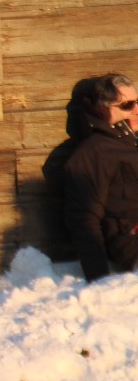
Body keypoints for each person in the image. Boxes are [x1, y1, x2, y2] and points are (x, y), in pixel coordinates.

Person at [59, 73, 138, 281]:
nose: (136, 109)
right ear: (104, 109)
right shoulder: (94, 152)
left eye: (137, 102)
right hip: (131, 236)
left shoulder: (131, 143)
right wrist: (99, 278)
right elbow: (83, 217)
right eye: (127, 105)